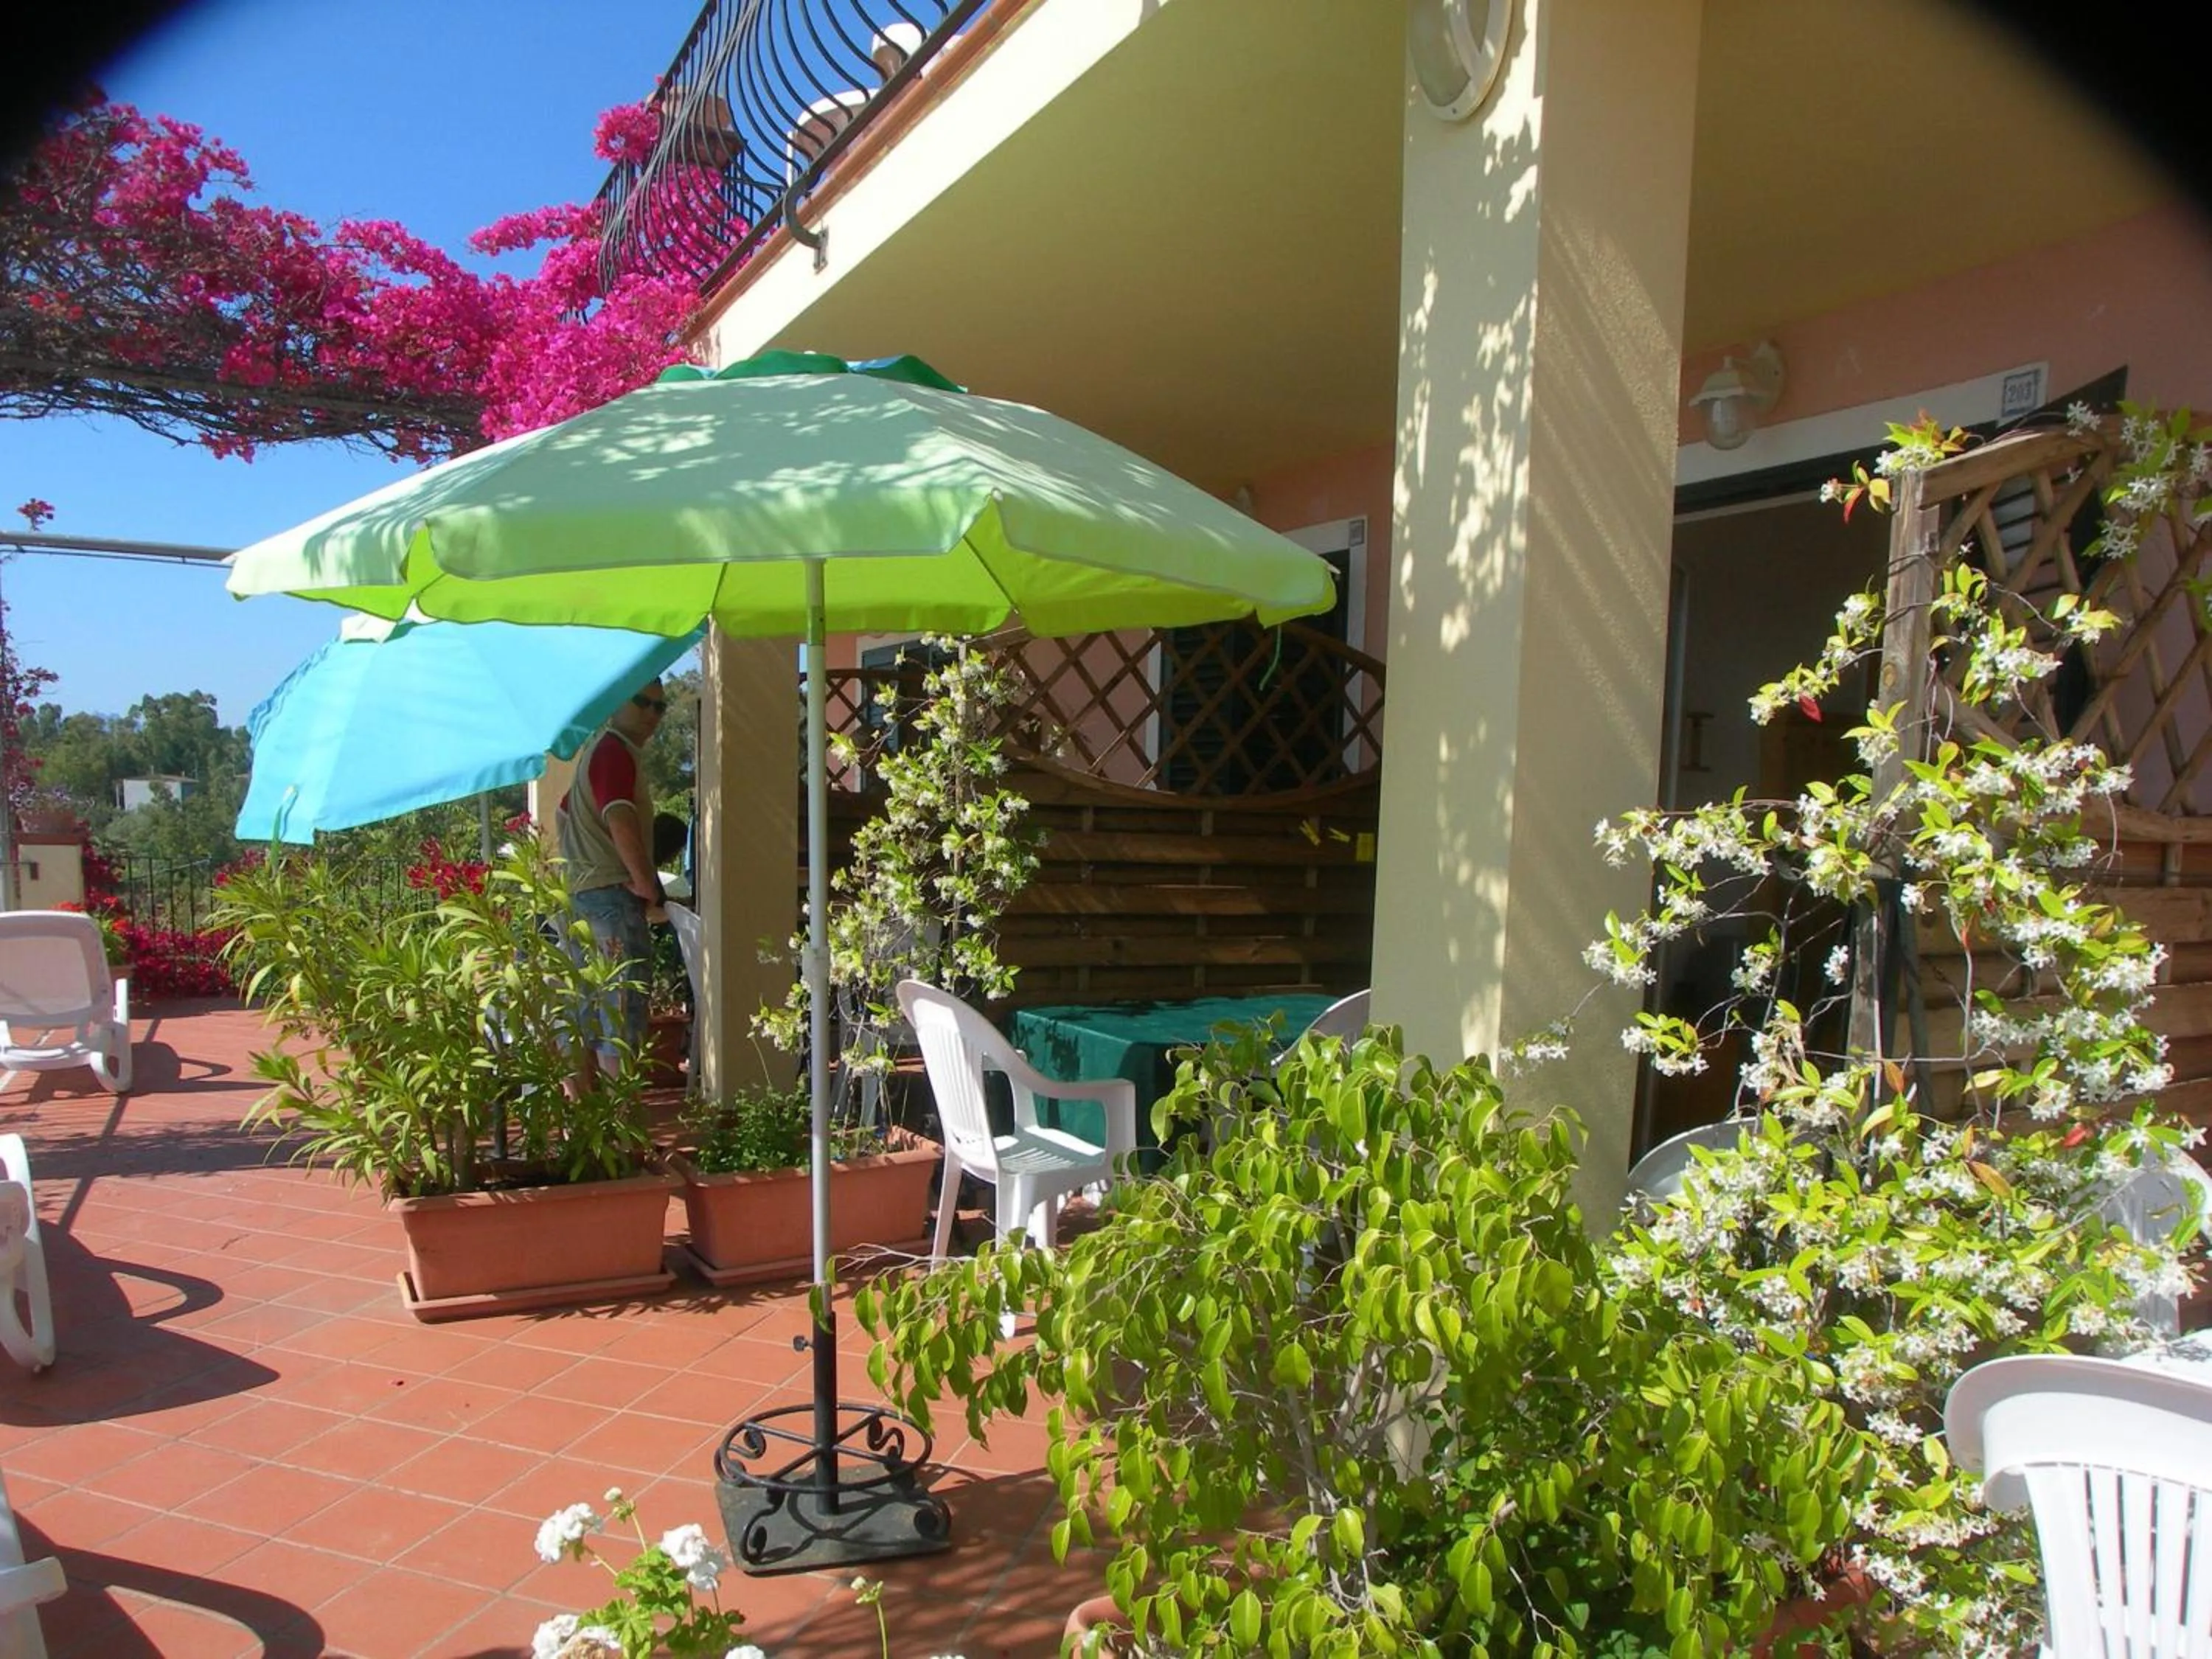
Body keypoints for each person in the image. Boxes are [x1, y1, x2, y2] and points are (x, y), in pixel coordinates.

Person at [556, 678, 668, 1076]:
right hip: (612, 901)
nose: (652, 714)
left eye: (660, 707)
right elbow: (620, 818)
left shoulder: (596, 754)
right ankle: (622, 1134)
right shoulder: (615, 751)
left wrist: (579, 859)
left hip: (581, 897)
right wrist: (644, 883)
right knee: (619, 1019)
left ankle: (587, 1128)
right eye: (643, 703)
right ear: (618, 703)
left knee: (583, 1016)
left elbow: (564, 811)